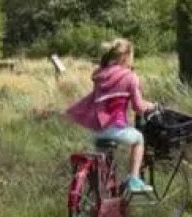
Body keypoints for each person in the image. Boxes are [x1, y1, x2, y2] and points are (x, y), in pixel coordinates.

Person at [64, 38, 155, 195]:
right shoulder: (130, 77)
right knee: (139, 139)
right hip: (116, 129)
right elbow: (138, 107)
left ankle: (104, 201)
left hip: (98, 130)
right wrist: (151, 106)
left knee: (105, 168)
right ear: (126, 57)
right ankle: (133, 179)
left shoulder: (101, 75)